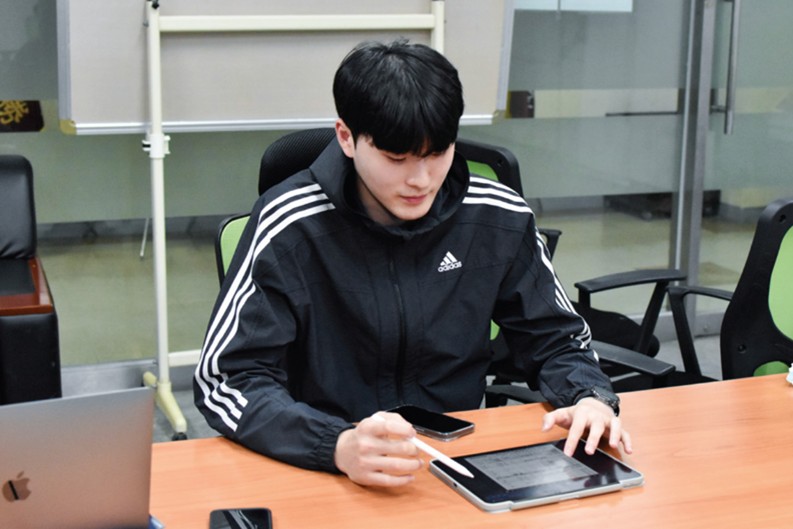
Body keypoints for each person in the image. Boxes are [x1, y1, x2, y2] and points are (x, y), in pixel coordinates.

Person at [194, 39, 631, 487]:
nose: (420, 180)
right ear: (346, 137)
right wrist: (335, 445)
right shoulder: (289, 225)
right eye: (396, 159)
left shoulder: (497, 216)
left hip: (453, 463)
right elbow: (227, 380)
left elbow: (556, 339)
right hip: (327, 465)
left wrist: (590, 396)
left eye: (437, 154)